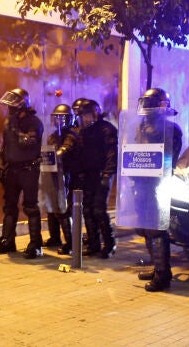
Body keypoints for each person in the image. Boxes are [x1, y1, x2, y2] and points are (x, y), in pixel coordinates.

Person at [134, 88, 182, 292]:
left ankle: (163, 275)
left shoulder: (170, 129)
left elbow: (168, 158)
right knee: (145, 228)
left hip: (158, 184)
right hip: (142, 184)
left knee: (156, 229)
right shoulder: (141, 127)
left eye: (150, 103)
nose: (146, 108)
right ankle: (157, 268)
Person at [0, 88, 45, 259]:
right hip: (12, 169)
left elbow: (27, 142)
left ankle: (36, 244)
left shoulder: (34, 122)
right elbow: (5, 145)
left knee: (30, 206)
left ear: (21, 106)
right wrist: (1, 164)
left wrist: (15, 129)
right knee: (9, 206)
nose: (9, 109)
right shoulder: (9, 122)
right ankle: (8, 240)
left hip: (28, 169)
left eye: (12, 106)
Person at [73, 98, 118, 259]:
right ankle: (94, 244)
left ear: (95, 113)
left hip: (102, 174)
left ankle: (110, 244)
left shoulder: (106, 129)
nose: (84, 119)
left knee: (99, 210)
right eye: (82, 116)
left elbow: (112, 154)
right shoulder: (83, 131)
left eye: (86, 115)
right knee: (87, 209)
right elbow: (81, 154)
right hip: (88, 175)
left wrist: (107, 174)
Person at [44, 103, 81, 255]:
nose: (58, 121)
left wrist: (57, 153)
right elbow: (48, 152)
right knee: (52, 206)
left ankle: (71, 243)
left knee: (64, 208)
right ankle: (54, 237)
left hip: (68, 175)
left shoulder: (71, 135)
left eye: (62, 118)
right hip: (54, 173)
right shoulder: (53, 136)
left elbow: (66, 148)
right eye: (56, 118)